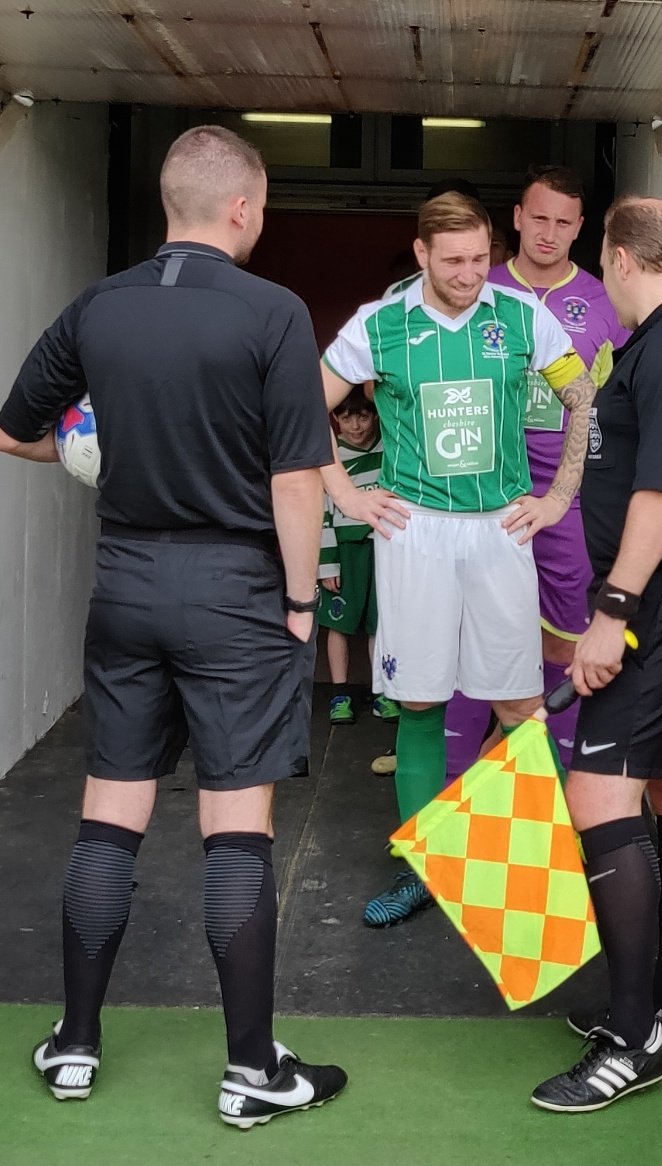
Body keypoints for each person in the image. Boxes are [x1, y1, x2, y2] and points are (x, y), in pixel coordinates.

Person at [0, 125, 347, 1127]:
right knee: (235, 829)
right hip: (235, 591)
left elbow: (17, 430)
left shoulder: (99, 305)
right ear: (240, 207)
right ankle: (251, 1071)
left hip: (126, 581)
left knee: (110, 815)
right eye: (263, 205)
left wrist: (95, 451)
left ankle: (74, 1044)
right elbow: (295, 478)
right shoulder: (273, 312)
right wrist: (298, 600)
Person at [319, 192, 596, 927]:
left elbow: (583, 396)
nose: (471, 274)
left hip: (499, 530)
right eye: (453, 262)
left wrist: (558, 497)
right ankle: (425, 871)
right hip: (415, 532)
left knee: (519, 705)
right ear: (422, 255)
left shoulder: (521, 316)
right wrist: (344, 492)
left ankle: (540, 863)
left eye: (479, 258)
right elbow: (301, 402)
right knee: (419, 701)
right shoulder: (380, 323)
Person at [531, 197, 662, 1113]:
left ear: (621, 257)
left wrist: (611, 613)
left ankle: (634, 1040)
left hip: (661, 602)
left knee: (599, 795)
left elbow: (660, 492)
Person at [445, 165, 631, 779]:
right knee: (469, 637)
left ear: (580, 228)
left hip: (565, 499)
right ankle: (452, 790)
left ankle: (554, 791)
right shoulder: (477, 286)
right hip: (479, 495)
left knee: (565, 639)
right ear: (518, 218)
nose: (549, 233)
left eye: (563, 222)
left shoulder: (605, 302)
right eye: (540, 218)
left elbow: (619, 405)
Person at [318, 385, 399, 725]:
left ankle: (382, 693)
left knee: (380, 622)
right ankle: (340, 694)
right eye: (347, 418)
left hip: (382, 547)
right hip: (344, 551)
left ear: (375, 416)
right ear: (334, 419)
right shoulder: (331, 456)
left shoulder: (391, 450)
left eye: (363, 416)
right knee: (339, 623)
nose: (355, 426)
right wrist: (327, 564)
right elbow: (321, 513)